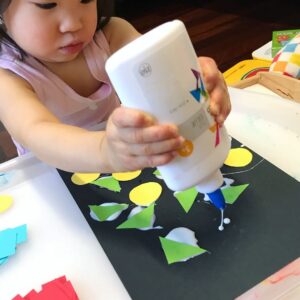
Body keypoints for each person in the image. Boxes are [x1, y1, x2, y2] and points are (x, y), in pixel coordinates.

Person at [0, 0, 231, 173]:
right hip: (52, 178)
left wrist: (196, 78)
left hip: (125, 161)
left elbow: (160, 71)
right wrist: (105, 150)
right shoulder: (8, 75)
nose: (72, 24)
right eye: (47, 4)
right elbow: (37, 131)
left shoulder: (110, 35)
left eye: (85, 0)